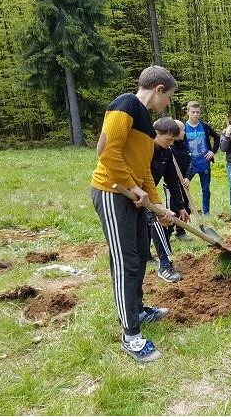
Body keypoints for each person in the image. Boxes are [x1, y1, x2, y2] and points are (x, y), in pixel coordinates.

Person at [90, 65, 176, 363]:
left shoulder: (146, 122)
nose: (167, 105)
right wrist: (130, 186)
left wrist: (157, 204)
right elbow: (106, 151)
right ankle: (131, 336)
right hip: (113, 193)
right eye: (168, 98)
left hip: (134, 197)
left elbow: (145, 172)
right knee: (126, 262)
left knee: (140, 256)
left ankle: (138, 310)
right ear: (159, 89)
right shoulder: (125, 105)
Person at [148, 117, 190, 283]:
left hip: (148, 193)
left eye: (173, 140)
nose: (171, 143)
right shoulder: (144, 150)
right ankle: (165, 265)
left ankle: (146, 256)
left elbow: (172, 180)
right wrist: (157, 205)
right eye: (168, 139)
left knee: (151, 221)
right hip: (132, 191)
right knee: (157, 221)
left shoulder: (167, 152)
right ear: (155, 134)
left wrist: (180, 207)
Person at [184, 101, 220, 216]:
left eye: (198, 112)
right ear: (188, 112)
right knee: (185, 185)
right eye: (193, 112)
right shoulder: (183, 128)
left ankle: (206, 212)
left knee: (205, 188)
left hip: (204, 161)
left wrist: (212, 151)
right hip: (190, 163)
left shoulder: (204, 126)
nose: (195, 114)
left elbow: (217, 137)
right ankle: (187, 209)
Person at [165, 119, 192, 241]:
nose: (184, 133)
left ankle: (181, 231)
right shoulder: (169, 148)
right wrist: (175, 179)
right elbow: (168, 170)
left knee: (185, 206)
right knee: (173, 208)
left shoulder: (184, 145)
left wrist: (187, 177)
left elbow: (190, 162)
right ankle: (167, 232)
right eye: (182, 130)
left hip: (184, 182)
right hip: (172, 184)